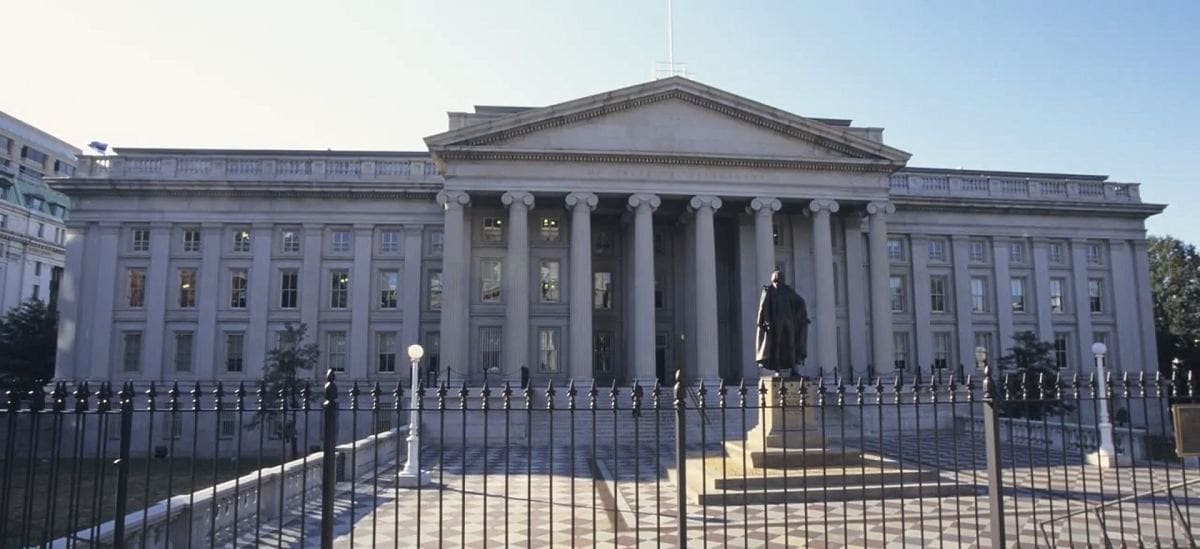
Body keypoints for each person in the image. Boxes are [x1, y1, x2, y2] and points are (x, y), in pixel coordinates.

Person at [754, 270, 810, 376]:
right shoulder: (769, 290)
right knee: (777, 344)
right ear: (774, 278)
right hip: (777, 321)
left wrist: (803, 314)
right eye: (778, 277)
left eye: (781, 277)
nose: (780, 280)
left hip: (789, 320)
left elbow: (799, 300)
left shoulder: (788, 291)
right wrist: (764, 321)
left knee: (791, 343)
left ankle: (793, 368)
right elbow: (763, 307)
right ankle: (777, 368)